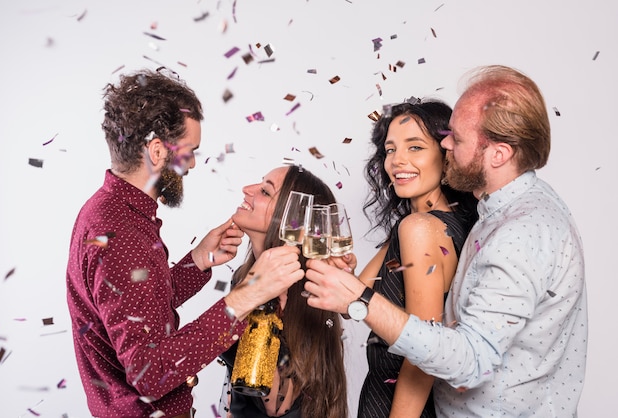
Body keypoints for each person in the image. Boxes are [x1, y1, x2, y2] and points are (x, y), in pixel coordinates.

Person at [304, 65, 588, 417]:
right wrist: (345, 285)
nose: (447, 142)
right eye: (390, 149)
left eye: (455, 138)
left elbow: (465, 359)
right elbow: (355, 303)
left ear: (498, 154)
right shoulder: (498, 213)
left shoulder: (518, 230)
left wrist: (358, 299)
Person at [66, 69, 304, 418]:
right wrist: (246, 296)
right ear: (158, 151)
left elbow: (139, 306)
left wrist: (198, 261)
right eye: (189, 151)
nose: (192, 163)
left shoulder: (110, 212)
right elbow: (150, 373)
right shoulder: (120, 235)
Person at [355, 99, 477, 418]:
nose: (398, 161)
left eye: (415, 147)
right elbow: (356, 299)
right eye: (391, 149)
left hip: (402, 406)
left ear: (447, 154)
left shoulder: (419, 228)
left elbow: (425, 353)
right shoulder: (438, 223)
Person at [218, 165, 348, 418]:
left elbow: (276, 405)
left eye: (265, 191)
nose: (247, 190)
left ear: (293, 221)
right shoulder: (244, 277)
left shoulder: (305, 293)